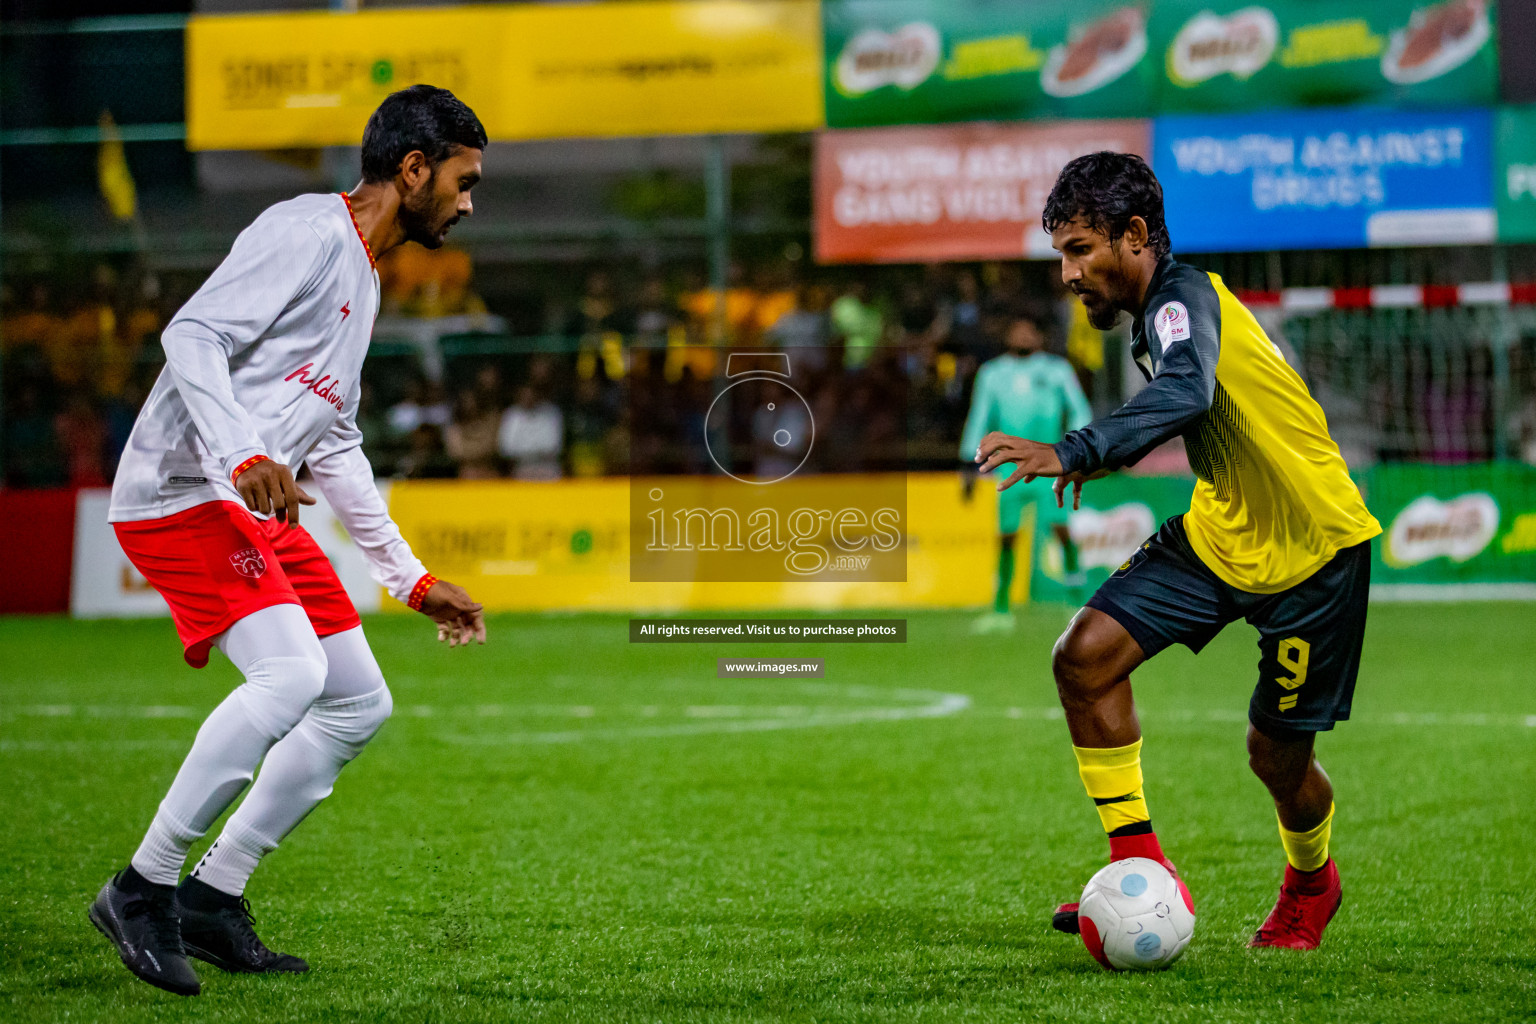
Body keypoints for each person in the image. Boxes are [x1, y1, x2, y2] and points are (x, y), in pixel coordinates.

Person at [91, 85, 489, 997]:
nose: (469, 204)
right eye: (462, 183)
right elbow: (190, 334)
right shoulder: (308, 230)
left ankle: (212, 896)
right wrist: (243, 457)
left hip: (250, 496)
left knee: (357, 703)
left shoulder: (369, 274)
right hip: (182, 491)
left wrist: (412, 579)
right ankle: (142, 887)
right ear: (413, 169)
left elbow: (336, 438)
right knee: (292, 677)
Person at [974, 152, 1380, 952]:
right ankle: (1139, 870)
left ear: (1133, 237)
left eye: (1080, 249)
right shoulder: (1153, 318)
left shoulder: (1183, 296)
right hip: (1219, 531)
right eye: (1061, 253)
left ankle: (1312, 884)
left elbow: (1187, 390)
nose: (1068, 273)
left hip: (1313, 550)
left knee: (1277, 756)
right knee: (1083, 657)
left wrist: (1079, 448)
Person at [960, 311, 1091, 634]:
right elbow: (980, 415)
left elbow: (1077, 408)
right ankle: (1001, 608)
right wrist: (968, 461)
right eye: (1017, 330)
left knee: (1060, 531)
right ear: (1008, 337)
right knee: (1007, 536)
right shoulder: (992, 373)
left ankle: (1078, 603)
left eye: (1028, 330)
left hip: (1051, 464)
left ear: (1038, 336)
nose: (1023, 336)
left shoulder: (1056, 370)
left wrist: (1078, 450)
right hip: (1009, 467)